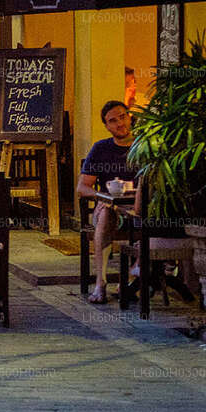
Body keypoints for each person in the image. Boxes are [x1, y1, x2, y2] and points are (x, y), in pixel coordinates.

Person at [76, 100, 136, 304]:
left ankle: (129, 281)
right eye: (113, 121)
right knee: (106, 214)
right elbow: (82, 187)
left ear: (130, 116)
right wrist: (102, 197)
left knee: (152, 218)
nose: (120, 123)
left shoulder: (144, 146)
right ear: (107, 126)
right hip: (109, 207)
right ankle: (100, 284)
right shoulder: (101, 148)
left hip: (138, 207)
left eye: (122, 117)